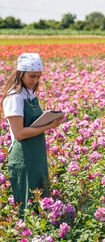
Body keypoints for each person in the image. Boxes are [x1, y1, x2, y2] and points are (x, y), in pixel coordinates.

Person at [0, 53, 63, 215]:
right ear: (20, 73)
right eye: (32, 76)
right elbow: (19, 133)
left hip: (37, 155)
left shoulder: (29, 95)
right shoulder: (14, 97)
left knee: (40, 202)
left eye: (38, 76)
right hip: (23, 157)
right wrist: (49, 125)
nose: (35, 80)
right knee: (27, 206)